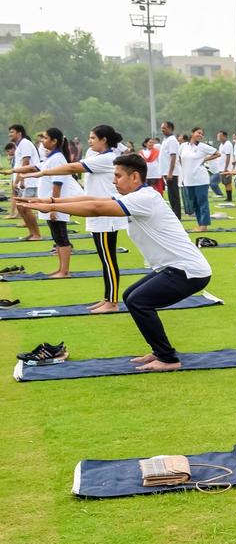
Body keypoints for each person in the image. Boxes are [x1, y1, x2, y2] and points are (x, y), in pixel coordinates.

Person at [18, 153, 211, 371]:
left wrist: (53, 208)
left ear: (135, 177)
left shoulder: (144, 199)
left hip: (188, 271)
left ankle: (168, 359)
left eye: (118, 176)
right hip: (175, 268)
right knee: (131, 296)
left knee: (139, 301)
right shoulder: (138, 197)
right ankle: (160, 351)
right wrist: (50, 201)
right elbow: (93, 200)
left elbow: (96, 209)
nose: (113, 181)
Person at [26, 124, 128, 313]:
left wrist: (44, 172)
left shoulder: (107, 158)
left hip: (106, 215)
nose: (89, 141)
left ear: (104, 139)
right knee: (105, 259)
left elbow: (74, 167)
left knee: (108, 260)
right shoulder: (99, 156)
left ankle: (112, 302)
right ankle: (108, 298)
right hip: (97, 212)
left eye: (92, 138)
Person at [4, 127, 83, 276]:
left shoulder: (58, 158)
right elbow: (35, 167)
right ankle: (61, 269)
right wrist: (14, 171)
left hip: (55, 204)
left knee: (62, 237)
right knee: (57, 237)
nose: (42, 140)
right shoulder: (51, 158)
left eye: (45, 138)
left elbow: (57, 184)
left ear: (54, 141)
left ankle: (64, 271)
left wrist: (54, 208)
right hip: (50, 204)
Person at [8, 125, 42, 239]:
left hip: (30, 181)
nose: (10, 134)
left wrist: (19, 179)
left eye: (12, 132)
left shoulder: (25, 144)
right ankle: (32, 232)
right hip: (24, 182)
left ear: (19, 133)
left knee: (26, 208)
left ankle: (37, 234)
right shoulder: (19, 146)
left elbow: (26, 163)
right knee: (20, 207)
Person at [159, 121, 182, 217]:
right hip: (166, 171)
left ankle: (177, 216)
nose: (162, 130)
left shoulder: (172, 140)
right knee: (171, 195)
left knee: (174, 195)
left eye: (164, 128)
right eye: (161, 128)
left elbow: (173, 156)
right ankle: (174, 214)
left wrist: (170, 172)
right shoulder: (166, 140)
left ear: (170, 128)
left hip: (171, 173)